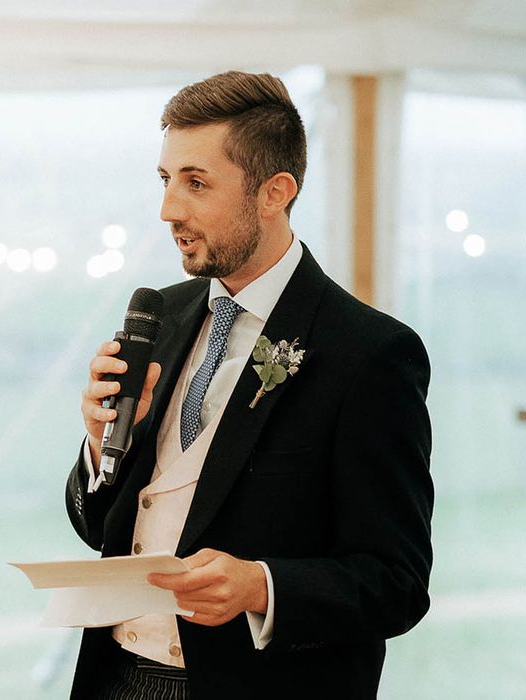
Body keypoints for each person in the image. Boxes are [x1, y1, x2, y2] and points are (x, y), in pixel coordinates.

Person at [66, 70, 433, 699]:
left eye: (196, 183)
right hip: (115, 678)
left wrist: (262, 585)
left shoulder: (370, 354)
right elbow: (105, 525)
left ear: (274, 192)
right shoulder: (165, 315)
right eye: (165, 179)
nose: (168, 210)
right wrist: (102, 446)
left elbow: (396, 583)